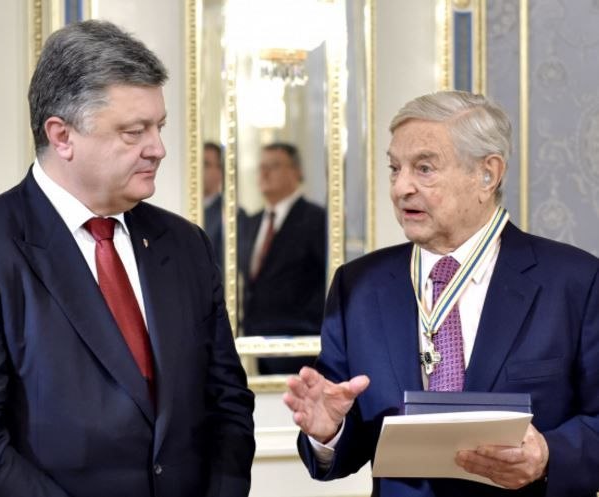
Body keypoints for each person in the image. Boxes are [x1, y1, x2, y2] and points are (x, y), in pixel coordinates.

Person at [0, 20, 254, 497]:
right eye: (133, 132)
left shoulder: (186, 245)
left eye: (159, 127)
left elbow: (228, 403)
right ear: (61, 136)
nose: (158, 149)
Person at [284, 91, 599, 496]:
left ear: (487, 175)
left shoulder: (575, 281)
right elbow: (344, 441)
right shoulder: (358, 287)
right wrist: (329, 432)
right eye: (395, 168)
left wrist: (548, 456)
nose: (401, 188)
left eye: (424, 168)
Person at [240, 143, 326, 374]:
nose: (264, 173)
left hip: (299, 349)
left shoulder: (317, 220)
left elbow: (326, 283)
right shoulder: (251, 222)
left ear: (296, 172)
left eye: (274, 166)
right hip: (253, 347)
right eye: (261, 167)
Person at [203, 141, 226, 270]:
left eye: (205, 164)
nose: (198, 169)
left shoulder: (231, 213)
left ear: (220, 171)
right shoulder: (181, 206)